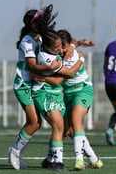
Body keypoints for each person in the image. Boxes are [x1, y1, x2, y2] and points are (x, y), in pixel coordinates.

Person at [39, 30, 103, 170]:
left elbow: (60, 80)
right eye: (59, 47)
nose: (61, 50)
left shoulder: (70, 58)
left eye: (63, 47)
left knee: (75, 120)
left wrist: (80, 57)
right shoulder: (61, 54)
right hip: (68, 94)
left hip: (83, 90)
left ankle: (79, 160)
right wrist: (77, 44)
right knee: (67, 131)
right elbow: (72, 41)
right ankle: (93, 159)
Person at [8, 4, 61, 170]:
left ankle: (20, 152)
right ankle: (15, 151)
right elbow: (33, 66)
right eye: (39, 20)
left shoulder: (40, 38)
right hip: (23, 85)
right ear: (32, 24)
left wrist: (76, 43)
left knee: (37, 123)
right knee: (34, 122)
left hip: (34, 84)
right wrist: (51, 67)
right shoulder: (28, 41)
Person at [32, 29, 84, 172]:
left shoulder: (52, 48)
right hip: (43, 92)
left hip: (55, 94)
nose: (60, 49)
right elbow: (65, 76)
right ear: (47, 47)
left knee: (65, 129)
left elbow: (70, 43)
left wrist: (76, 44)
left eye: (61, 45)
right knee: (58, 124)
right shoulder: (49, 59)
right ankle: (58, 162)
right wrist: (81, 59)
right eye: (56, 47)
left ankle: (49, 159)